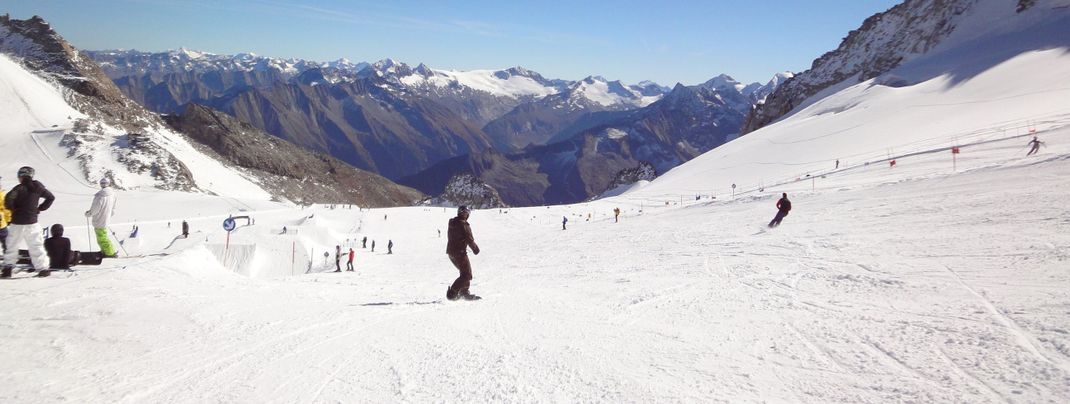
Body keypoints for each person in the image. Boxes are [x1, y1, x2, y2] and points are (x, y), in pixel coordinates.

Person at [2, 167, 54, 278]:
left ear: (21, 176)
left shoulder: (18, 188)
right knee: (36, 246)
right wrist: (40, 208)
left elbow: (8, 200)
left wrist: (14, 209)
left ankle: (7, 269)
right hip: (32, 222)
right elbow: (51, 197)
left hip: (17, 222)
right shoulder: (38, 187)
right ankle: (43, 269)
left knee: (11, 246)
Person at [446, 205, 481, 301]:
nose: (467, 215)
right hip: (459, 253)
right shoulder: (464, 225)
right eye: (466, 213)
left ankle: (464, 292)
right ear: (465, 214)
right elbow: (469, 239)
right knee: (467, 275)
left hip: (451, 253)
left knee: (464, 273)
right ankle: (452, 294)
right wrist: (475, 249)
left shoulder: (452, 222)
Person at [85, 178, 118, 258]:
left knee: (102, 237)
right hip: (106, 218)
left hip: (99, 219)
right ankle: (106, 251)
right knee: (103, 236)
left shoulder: (99, 196)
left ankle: (110, 253)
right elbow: (114, 207)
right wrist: (109, 214)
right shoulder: (113, 194)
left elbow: (95, 209)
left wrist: (89, 213)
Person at [0, 177, 10, 255]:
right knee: (6, 242)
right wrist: (8, 220)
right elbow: (7, 209)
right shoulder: (2, 195)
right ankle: (8, 258)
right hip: (2, 224)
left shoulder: (2, 195)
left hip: (2, 224)